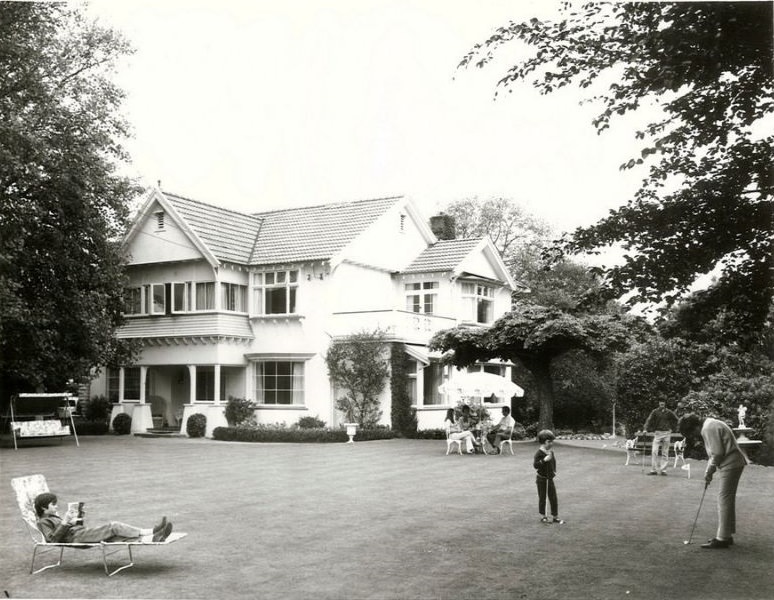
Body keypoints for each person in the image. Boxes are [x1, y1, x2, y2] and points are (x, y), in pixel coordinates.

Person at [678, 413, 749, 549]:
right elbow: (714, 454)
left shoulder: (708, 428)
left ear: (695, 427)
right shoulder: (710, 424)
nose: (695, 436)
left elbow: (717, 453)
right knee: (727, 498)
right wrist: (708, 470)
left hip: (731, 463)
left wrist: (710, 470)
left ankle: (722, 538)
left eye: (693, 433)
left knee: (724, 498)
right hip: (732, 463)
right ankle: (726, 535)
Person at [34, 492, 172, 543]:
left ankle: (154, 538)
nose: (56, 507)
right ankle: (152, 531)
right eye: (53, 505)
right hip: (76, 538)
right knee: (114, 526)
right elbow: (52, 540)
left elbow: (73, 528)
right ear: (43, 507)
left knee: (115, 538)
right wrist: (64, 523)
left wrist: (78, 518)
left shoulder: (55, 517)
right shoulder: (43, 522)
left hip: (80, 533)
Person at [533, 429, 564, 524]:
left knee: (553, 497)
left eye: (552, 441)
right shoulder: (539, 453)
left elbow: (553, 462)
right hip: (541, 479)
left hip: (549, 479)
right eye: (549, 441)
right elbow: (536, 465)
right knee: (543, 498)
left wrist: (553, 471)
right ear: (543, 442)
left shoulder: (551, 452)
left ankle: (555, 516)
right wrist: (544, 460)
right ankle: (543, 516)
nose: (551, 443)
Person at [643, 400, 678, 475]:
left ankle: (663, 470)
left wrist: (672, 428)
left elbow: (676, 420)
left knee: (665, 452)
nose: (662, 403)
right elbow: (649, 420)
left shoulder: (669, 412)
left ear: (665, 403)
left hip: (667, 433)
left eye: (663, 402)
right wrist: (645, 429)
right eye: (660, 402)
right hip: (658, 433)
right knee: (654, 451)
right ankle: (653, 470)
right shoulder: (655, 412)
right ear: (658, 403)